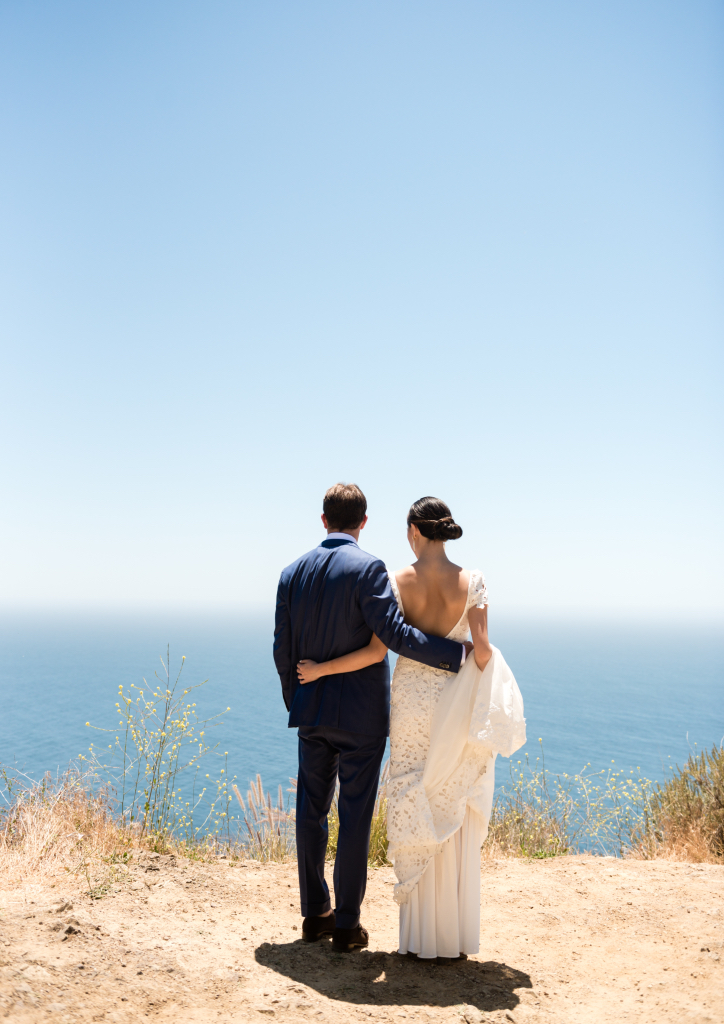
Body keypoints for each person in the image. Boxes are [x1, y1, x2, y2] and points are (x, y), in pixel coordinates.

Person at [298, 496, 526, 963]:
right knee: (450, 796)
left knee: (414, 793)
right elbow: (481, 650)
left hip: (410, 705)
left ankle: (418, 935)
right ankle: (452, 934)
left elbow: (376, 652)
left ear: (414, 532)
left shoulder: (396, 579)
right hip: (455, 702)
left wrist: (320, 671)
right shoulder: (474, 580)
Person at [274, 484, 471, 953]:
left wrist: (296, 699)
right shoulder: (370, 569)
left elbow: (282, 649)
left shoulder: (290, 574)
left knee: (310, 813)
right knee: (355, 817)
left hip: (311, 710)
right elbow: (395, 635)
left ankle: (314, 914)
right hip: (361, 717)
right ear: (363, 522)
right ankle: (346, 925)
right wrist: (455, 654)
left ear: (324, 520)